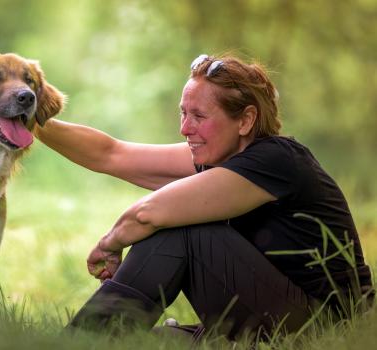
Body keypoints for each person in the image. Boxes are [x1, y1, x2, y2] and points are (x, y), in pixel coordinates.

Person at [34, 54, 373, 340]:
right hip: (274, 316)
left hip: (328, 329)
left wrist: (111, 241)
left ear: (246, 120)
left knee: (182, 227)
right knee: (151, 342)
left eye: (198, 116)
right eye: (183, 113)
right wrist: (28, 122)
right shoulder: (219, 158)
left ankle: (80, 342)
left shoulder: (278, 160)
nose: (184, 128)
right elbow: (111, 154)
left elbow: (149, 214)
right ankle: (87, 339)